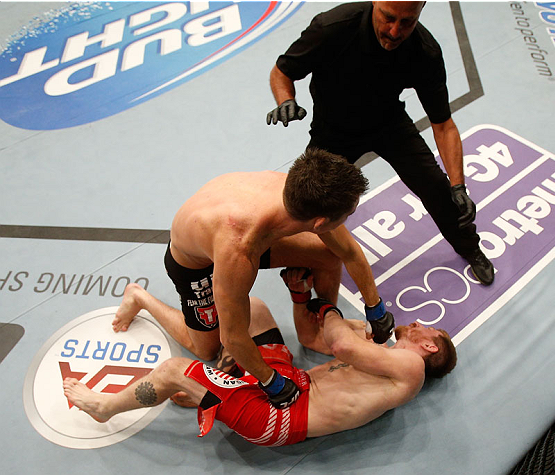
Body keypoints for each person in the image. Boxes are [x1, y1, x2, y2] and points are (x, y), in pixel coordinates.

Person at [111, 149, 394, 409]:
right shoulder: (238, 250)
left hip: (245, 226)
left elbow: (348, 252)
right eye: (348, 215)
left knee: (326, 254)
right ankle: (140, 297)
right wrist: (272, 381)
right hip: (195, 261)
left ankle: (317, 325)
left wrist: (375, 307)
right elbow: (233, 337)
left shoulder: (300, 190)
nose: (349, 219)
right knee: (207, 348)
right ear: (320, 223)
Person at [266, 1, 494, 286]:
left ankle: (469, 247)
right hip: (333, 130)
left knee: (438, 187)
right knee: (309, 198)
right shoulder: (332, 27)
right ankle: (304, 258)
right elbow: (282, 72)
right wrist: (286, 100)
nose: (395, 31)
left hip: (389, 125)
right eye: (388, 18)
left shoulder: (424, 52)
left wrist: (458, 186)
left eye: (407, 22)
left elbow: (444, 125)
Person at [64, 285, 457, 447]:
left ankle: (104, 408)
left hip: (279, 416)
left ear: (427, 346)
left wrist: (331, 309)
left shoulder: (411, 369)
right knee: (251, 307)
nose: (418, 323)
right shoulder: (385, 357)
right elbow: (315, 339)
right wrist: (301, 293)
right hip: (288, 383)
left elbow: (336, 340)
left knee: (171, 371)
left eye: (427, 328)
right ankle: (220, 380)